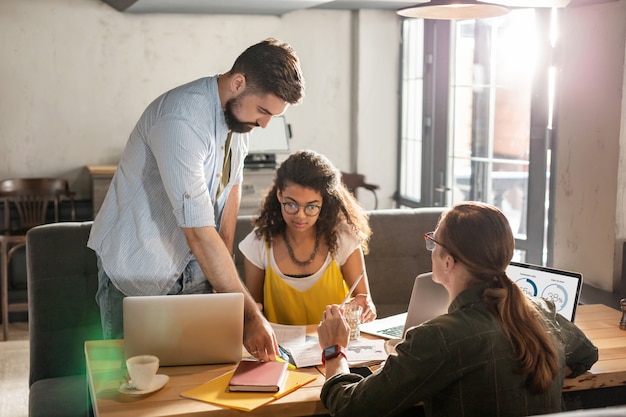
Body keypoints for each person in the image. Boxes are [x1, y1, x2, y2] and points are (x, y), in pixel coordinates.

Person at [87, 38, 305, 362]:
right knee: (132, 392)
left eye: (273, 115)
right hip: (139, 273)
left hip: (196, 273)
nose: (265, 124)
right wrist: (249, 314)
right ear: (238, 83)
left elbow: (231, 191)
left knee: (196, 385)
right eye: (263, 111)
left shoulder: (239, 122)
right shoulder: (181, 120)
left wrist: (222, 280)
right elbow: (200, 233)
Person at [317, 201, 598, 417]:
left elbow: (350, 407)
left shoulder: (437, 338)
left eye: (433, 242)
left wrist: (334, 350)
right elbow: (587, 353)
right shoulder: (540, 312)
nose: (431, 249)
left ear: (448, 261)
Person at [238, 150, 377, 325]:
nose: (300, 216)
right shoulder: (258, 243)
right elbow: (254, 314)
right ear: (279, 194)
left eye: (311, 207)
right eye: (291, 204)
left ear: (324, 202)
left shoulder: (343, 238)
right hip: (280, 349)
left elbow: (366, 304)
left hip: (336, 345)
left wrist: (366, 309)